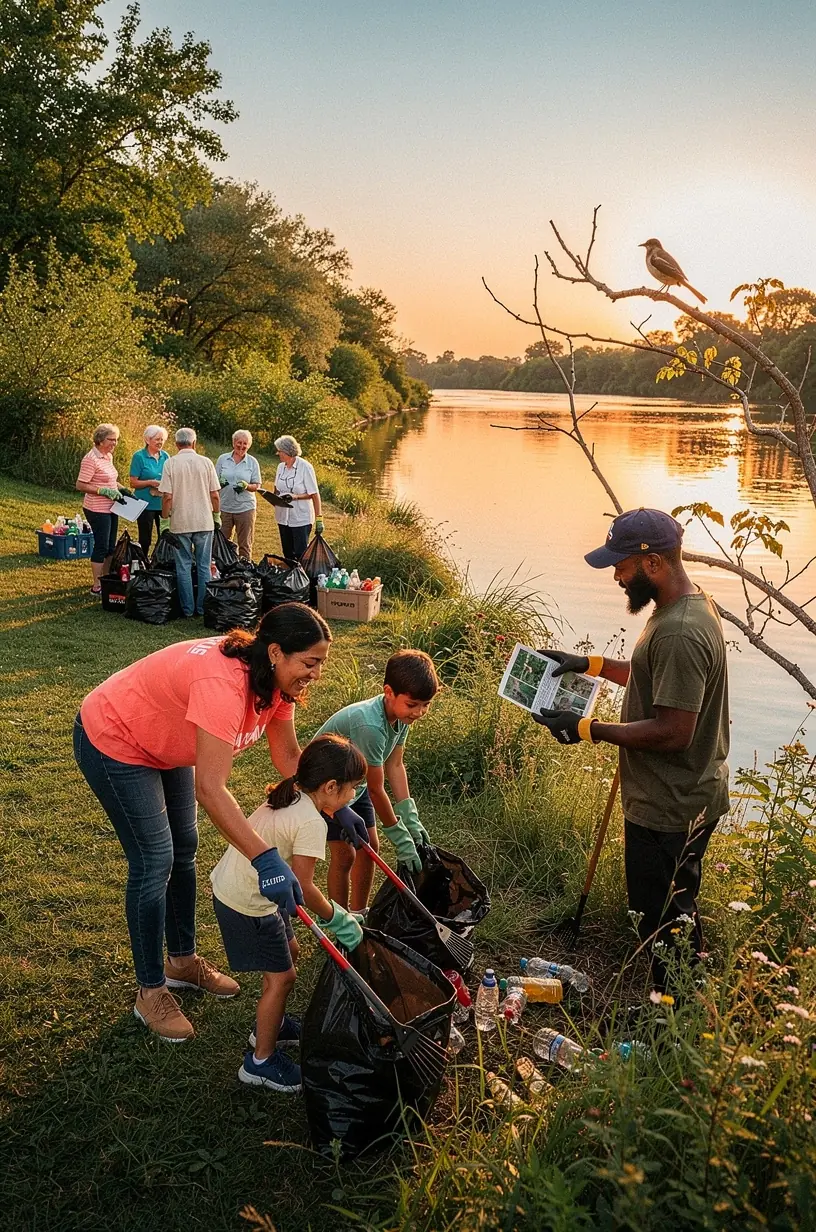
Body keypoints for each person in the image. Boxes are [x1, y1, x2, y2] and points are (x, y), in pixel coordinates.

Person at [73, 603, 336, 1043]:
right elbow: (210, 788)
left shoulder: (275, 685)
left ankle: (181, 961)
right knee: (155, 860)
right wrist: (265, 858)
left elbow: (288, 758)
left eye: (320, 664)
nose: (315, 674)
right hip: (115, 736)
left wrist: (331, 803)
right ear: (275, 652)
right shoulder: (223, 685)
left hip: (165, 744)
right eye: (309, 663)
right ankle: (150, 992)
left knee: (184, 849)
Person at [533, 508, 729, 993]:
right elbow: (651, 674)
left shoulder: (682, 631)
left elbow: (672, 731)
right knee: (673, 910)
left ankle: (673, 1025)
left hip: (670, 804)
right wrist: (592, 663)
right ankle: (678, 1008)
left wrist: (586, 728)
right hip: (683, 794)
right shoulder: (685, 607)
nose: (617, 576)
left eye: (621, 565)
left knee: (661, 923)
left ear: (653, 564)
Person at [210, 734, 367, 1093]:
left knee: (290, 954)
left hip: (242, 887)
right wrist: (338, 918)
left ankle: (273, 1025)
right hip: (248, 902)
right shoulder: (312, 822)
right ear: (330, 786)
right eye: (352, 789)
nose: (353, 797)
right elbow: (305, 886)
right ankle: (260, 1062)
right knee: (282, 979)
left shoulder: (292, 792)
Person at [315, 649, 441, 911]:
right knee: (344, 854)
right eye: (413, 704)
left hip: (353, 787)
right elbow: (375, 789)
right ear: (389, 692)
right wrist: (398, 834)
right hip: (327, 789)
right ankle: (341, 922)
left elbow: (395, 764)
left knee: (370, 846)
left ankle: (360, 913)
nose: (419, 712)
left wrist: (409, 814)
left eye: (425, 705)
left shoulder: (401, 716)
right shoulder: (371, 726)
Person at [158, 426, 221, 618]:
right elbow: (215, 495)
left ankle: (187, 608)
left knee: (183, 565)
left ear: (176, 444)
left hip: (180, 521)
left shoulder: (171, 463)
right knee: (203, 565)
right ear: (194, 443)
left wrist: (164, 520)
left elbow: (167, 496)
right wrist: (216, 515)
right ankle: (203, 607)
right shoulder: (206, 462)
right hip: (203, 520)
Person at [75, 423, 127, 595]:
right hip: (96, 508)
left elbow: (110, 480)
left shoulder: (107, 456)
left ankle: (106, 578)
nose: (114, 443)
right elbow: (81, 484)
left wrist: (121, 488)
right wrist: (101, 491)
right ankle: (96, 585)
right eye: (111, 439)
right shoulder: (91, 459)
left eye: (116, 440)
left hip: (112, 507)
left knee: (111, 546)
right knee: (101, 546)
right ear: (100, 440)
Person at [273, 434, 324, 560]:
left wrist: (319, 519)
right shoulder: (280, 467)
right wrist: (273, 497)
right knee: (287, 553)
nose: (278, 453)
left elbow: (314, 494)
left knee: (300, 554)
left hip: (300, 518)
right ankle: (291, 577)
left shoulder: (305, 467)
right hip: (282, 517)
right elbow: (276, 489)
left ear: (287, 451)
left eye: (280, 451)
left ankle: (303, 578)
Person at [215, 430, 263, 561]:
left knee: (245, 544)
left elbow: (257, 485)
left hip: (245, 508)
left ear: (249, 445)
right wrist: (220, 483)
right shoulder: (223, 459)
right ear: (233, 443)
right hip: (224, 506)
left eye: (245, 444)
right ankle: (224, 570)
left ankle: (244, 572)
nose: (242, 446)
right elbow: (213, 481)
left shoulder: (252, 462)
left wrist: (247, 486)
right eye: (239, 443)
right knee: (222, 542)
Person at [129, 425, 170, 556]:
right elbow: (133, 482)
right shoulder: (139, 456)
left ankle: (160, 562)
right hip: (145, 503)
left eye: (162, 439)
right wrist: (150, 482)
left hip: (162, 502)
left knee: (164, 536)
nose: (160, 442)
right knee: (145, 539)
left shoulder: (165, 456)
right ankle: (143, 562)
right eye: (157, 439)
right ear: (147, 440)